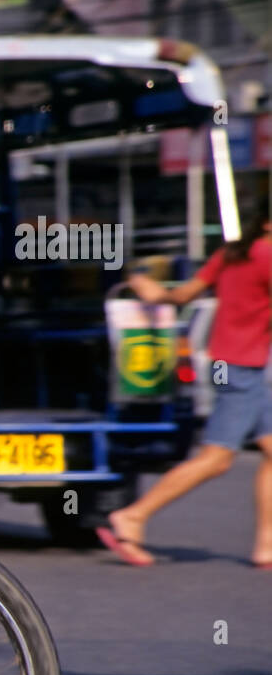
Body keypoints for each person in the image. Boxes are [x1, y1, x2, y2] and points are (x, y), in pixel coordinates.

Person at [98, 209, 272, 567]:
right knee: (217, 459)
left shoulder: (230, 253)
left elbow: (183, 296)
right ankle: (133, 515)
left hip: (226, 363)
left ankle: (267, 544)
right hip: (243, 368)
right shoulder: (267, 256)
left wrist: (153, 290)